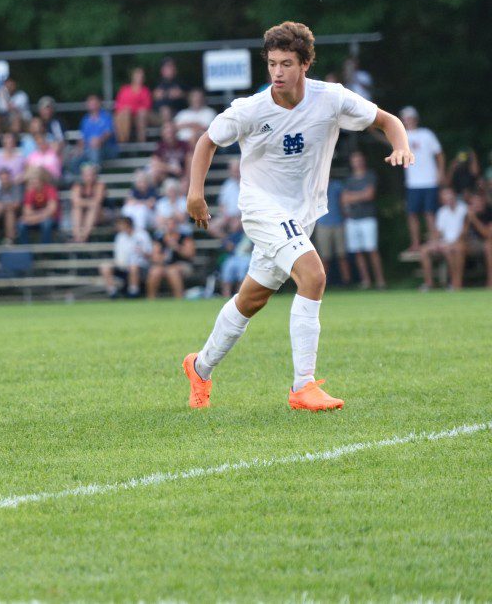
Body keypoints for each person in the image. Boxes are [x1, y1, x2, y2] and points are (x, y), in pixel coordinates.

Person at [184, 21, 414, 411]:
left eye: (286, 63)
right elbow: (207, 141)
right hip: (261, 208)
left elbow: (387, 120)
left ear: (305, 64)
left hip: (300, 215)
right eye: (272, 63)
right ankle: (302, 387)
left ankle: (199, 368)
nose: (277, 72)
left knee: (251, 299)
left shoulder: (331, 98)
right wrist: (195, 193)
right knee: (314, 274)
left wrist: (402, 146)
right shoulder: (251, 109)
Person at [342, 151, 386, 289]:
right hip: (352, 219)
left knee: (372, 250)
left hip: (367, 218)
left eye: (359, 159)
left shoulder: (370, 175)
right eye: (355, 160)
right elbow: (344, 199)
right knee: (357, 252)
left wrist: (353, 196)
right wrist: (361, 195)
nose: (357, 162)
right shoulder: (349, 179)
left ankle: (380, 280)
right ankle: (366, 281)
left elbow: (370, 195)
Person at [402, 106, 443, 251]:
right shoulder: (402, 135)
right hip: (413, 182)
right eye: (405, 118)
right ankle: (415, 243)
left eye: (410, 117)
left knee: (430, 212)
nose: (408, 120)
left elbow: (439, 153)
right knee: (412, 214)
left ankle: (435, 241)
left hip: (429, 180)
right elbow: (387, 140)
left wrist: (440, 172)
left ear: (415, 118)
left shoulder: (426, 134)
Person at [418, 188, 468, 291]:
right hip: (445, 242)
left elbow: (465, 231)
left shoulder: (464, 209)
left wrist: (450, 243)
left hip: (459, 242)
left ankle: (454, 283)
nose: (447, 198)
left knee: (449, 250)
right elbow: (438, 231)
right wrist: (435, 242)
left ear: (454, 195)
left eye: (449, 195)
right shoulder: (442, 211)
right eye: (444, 196)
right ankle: (429, 283)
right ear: (442, 200)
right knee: (423, 250)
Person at [312, 178, 352, 285]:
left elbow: (344, 202)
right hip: (323, 224)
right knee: (324, 257)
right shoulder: (315, 186)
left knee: (342, 255)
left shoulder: (337, 185)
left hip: (338, 223)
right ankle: (322, 284)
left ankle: (346, 282)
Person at [100, 216, 152, 298]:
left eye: (120, 224)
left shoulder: (142, 234)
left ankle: (133, 292)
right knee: (105, 266)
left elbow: (149, 254)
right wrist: (121, 264)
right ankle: (112, 292)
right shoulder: (120, 237)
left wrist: (142, 252)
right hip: (124, 266)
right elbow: (118, 256)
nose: (118, 227)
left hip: (141, 267)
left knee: (133, 266)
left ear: (127, 225)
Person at [147, 216, 195, 299]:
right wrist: (162, 258)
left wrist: (177, 247)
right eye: (168, 225)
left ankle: (179, 297)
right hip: (163, 264)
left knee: (172, 271)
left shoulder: (185, 237)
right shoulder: (160, 239)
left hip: (182, 264)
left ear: (176, 226)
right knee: (154, 271)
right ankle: (151, 298)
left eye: (172, 224)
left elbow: (190, 254)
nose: (170, 227)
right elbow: (154, 256)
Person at [73, 94, 117, 170]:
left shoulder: (106, 116)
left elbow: (108, 133)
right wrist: (79, 148)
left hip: (107, 148)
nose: (92, 105)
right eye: (90, 103)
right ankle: (79, 179)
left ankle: (94, 173)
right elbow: (82, 138)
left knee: (94, 148)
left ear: (99, 104)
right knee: (74, 159)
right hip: (88, 149)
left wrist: (99, 140)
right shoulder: (85, 120)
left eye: (94, 103)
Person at [18, 170, 59, 244]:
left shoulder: (50, 190)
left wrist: (33, 218)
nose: (33, 184)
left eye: (36, 181)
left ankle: (45, 252)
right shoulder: (30, 192)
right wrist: (40, 215)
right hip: (38, 218)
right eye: (32, 181)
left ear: (42, 181)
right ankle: (26, 251)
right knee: (21, 224)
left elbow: (52, 210)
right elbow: (27, 211)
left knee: (46, 223)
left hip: (51, 219)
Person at [113, 67, 153, 143]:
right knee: (124, 114)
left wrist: (130, 109)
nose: (139, 78)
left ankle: (141, 142)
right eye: (137, 76)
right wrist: (127, 110)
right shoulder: (124, 89)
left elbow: (147, 106)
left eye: (141, 76)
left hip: (138, 116)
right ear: (133, 77)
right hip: (125, 115)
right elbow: (118, 105)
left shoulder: (145, 91)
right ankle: (122, 140)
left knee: (139, 113)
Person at [69, 163, 106, 243]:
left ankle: (83, 237)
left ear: (95, 175)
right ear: (82, 176)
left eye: (91, 174)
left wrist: (82, 202)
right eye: (86, 175)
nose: (89, 177)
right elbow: (75, 201)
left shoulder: (100, 185)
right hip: (82, 216)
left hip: (99, 215)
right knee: (76, 209)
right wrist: (90, 202)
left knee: (93, 208)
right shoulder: (77, 186)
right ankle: (77, 236)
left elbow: (98, 201)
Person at [464, 192, 492, 288]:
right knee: (456, 248)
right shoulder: (467, 215)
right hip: (469, 244)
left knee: (489, 246)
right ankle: (456, 285)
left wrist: (474, 219)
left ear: (483, 202)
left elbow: (488, 235)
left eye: (479, 202)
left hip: (484, 243)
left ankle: (490, 282)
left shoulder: (489, 213)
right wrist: (469, 220)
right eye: (474, 202)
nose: (477, 204)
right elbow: (463, 235)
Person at [218, 218, 252, 297]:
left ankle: (240, 295)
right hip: (234, 257)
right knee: (227, 267)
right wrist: (228, 245)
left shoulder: (252, 234)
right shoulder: (235, 234)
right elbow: (225, 245)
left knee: (243, 268)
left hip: (247, 257)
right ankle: (226, 295)